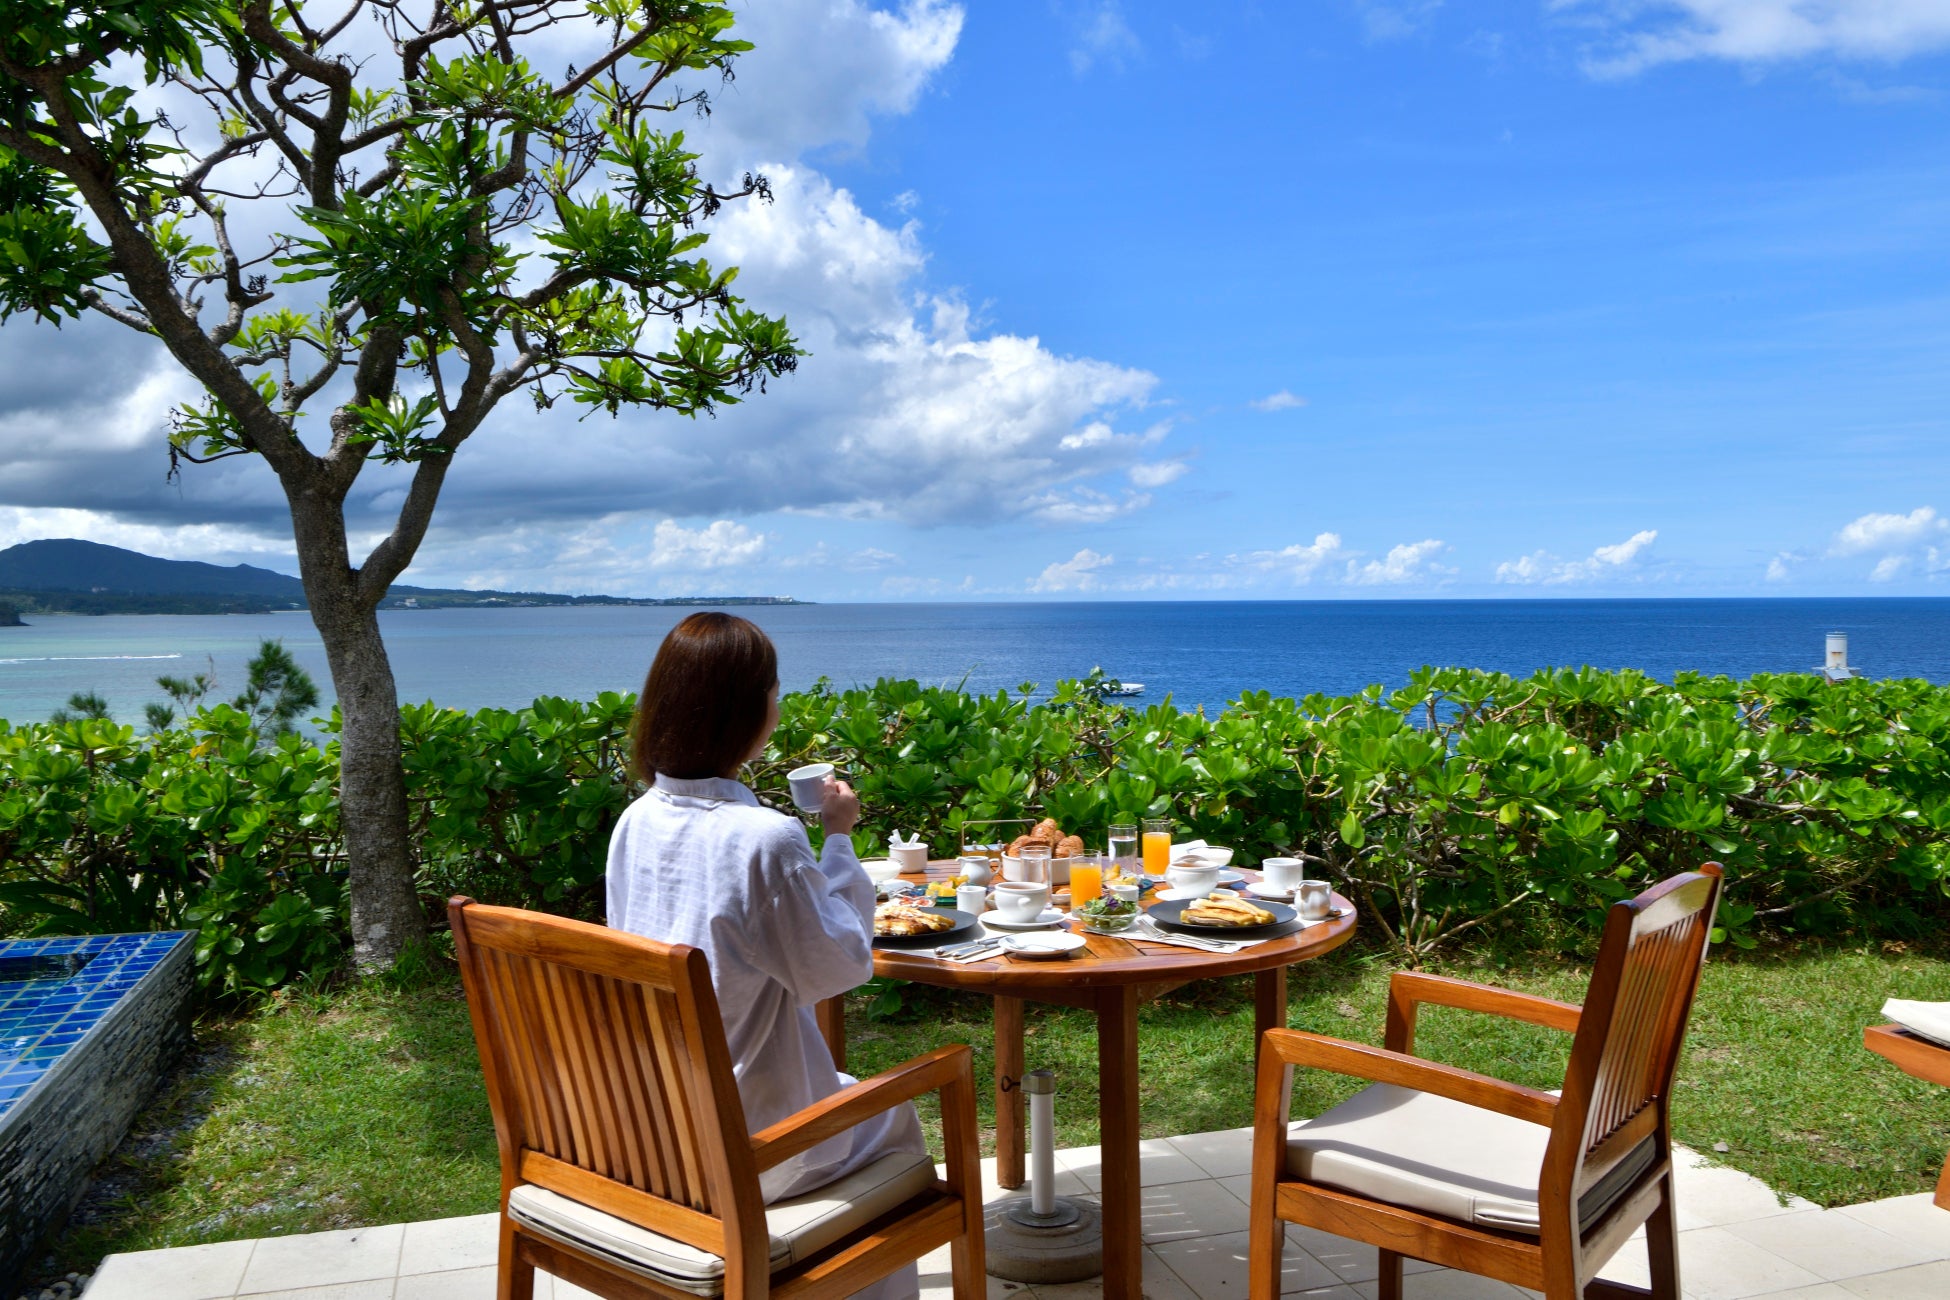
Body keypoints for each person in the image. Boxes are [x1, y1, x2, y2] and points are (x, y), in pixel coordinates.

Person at [605, 612, 925, 1300]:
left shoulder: (636, 822)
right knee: (897, 1116)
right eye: (773, 692)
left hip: (655, 1128)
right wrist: (837, 837)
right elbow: (839, 966)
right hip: (749, 1146)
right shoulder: (764, 839)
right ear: (748, 712)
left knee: (847, 1093)